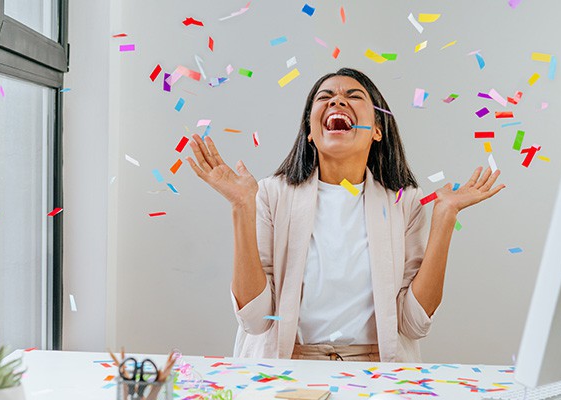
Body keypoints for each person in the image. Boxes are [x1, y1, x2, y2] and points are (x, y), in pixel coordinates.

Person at [187, 67, 505, 362]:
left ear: (377, 130)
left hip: (374, 368)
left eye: (353, 96)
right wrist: (242, 207)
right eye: (325, 97)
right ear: (310, 132)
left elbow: (414, 324)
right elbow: (255, 320)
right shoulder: (271, 194)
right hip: (287, 366)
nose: (337, 100)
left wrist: (445, 215)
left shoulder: (405, 202)